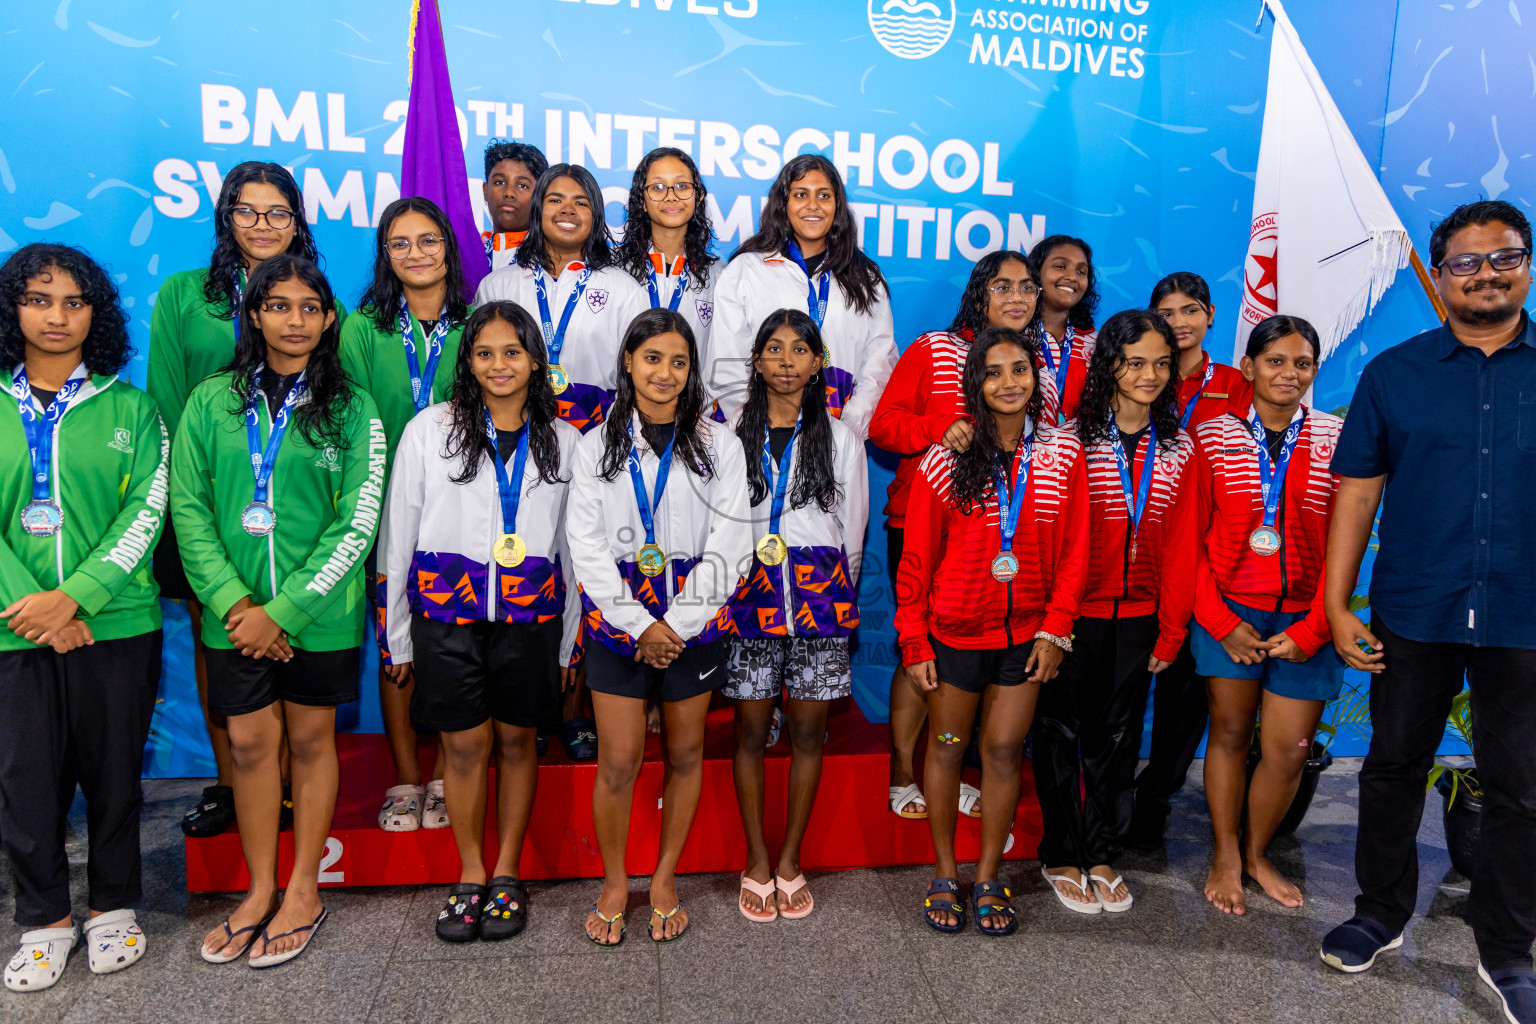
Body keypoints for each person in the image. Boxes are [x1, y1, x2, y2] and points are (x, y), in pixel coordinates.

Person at [1319, 200, 1536, 1020]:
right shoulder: (1396, 374)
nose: (1486, 274)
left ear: (1526, 263)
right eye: (1466, 263)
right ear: (1440, 276)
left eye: (1503, 257)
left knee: (1522, 788)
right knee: (1393, 767)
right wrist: (1338, 602)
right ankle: (1378, 913)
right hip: (1418, 604)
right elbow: (1359, 492)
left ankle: (1509, 947)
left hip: (1526, 613)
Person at [180, 256, 384, 969]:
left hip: (318, 615)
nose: (294, 321)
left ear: (329, 319)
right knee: (248, 749)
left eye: (308, 308)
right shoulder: (210, 402)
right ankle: (260, 888)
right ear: (255, 313)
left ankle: (304, 889)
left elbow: (358, 521)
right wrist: (238, 604)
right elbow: (189, 509)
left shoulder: (353, 407)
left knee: (309, 745)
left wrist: (287, 609)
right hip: (232, 615)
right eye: (278, 306)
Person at [379, 301, 581, 942]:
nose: (499, 365)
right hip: (447, 614)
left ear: (534, 361)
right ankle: (468, 874)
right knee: (463, 748)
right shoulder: (429, 430)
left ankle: (506, 872)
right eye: (485, 352)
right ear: (467, 361)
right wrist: (397, 629)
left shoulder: (565, 439)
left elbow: (574, 549)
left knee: (520, 743)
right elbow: (399, 533)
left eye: (513, 352)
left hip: (531, 617)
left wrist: (570, 637)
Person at [149, 161, 334, 839]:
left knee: (289, 628)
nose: (262, 225)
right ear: (226, 217)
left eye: (277, 212)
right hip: (205, 498)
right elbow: (167, 400)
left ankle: (285, 783)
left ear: (296, 221)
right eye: (247, 211)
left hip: (293, 502)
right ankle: (233, 780)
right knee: (217, 632)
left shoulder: (308, 291)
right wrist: (184, 497)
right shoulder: (184, 295)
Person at [0, 245, 167, 992]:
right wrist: (35, 608)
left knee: (115, 774)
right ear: (15, 310)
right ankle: (43, 921)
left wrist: (80, 596)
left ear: (96, 314)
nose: (57, 316)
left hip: (115, 622)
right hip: (13, 626)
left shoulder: (130, 408)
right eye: (39, 299)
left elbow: (147, 511)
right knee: (23, 778)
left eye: (74, 301)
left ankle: (112, 906)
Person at [566, 308, 751, 946]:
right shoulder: (595, 444)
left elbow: (733, 543)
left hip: (692, 615)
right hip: (619, 616)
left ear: (692, 369)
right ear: (627, 362)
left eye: (678, 361)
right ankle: (616, 881)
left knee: (685, 751)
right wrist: (638, 625)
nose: (665, 373)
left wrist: (673, 624)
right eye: (652, 359)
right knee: (618, 760)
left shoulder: (720, 444)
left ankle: (666, 876)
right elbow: (584, 546)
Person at [897, 327, 1088, 936]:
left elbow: (1076, 554)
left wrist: (1056, 630)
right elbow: (916, 560)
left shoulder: (1063, 453)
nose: (1009, 383)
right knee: (949, 750)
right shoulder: (945, 459)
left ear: (1037, 378)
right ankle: (945, 872)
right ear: (974, 383)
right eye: (994, 372)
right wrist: (914, 640)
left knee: (1004, 752)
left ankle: (988, 875)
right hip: (954, 635)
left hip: (1026, 636)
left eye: (1020, 370)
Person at [1033, 309, 1200, 915]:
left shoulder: (1181, 448)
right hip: (1073, 617)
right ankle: (1060, 851)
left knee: (1119, 736)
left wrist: (1172, 627)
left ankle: (1101, 850)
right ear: (1109, 366)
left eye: (1162, 363)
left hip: (1141, 616)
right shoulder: (1066, 442)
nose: (1150, 374)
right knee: (1058, 733)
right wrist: (1055, 620)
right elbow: (1051, 541)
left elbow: (1183, 546)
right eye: (1135, 363)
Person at [869, 250, 1039, 821]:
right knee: (924, 650)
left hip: (1006, 547)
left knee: (987, 662)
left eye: (1027, 287)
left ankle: (957, 769)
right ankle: (899, 772)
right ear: (979, 293)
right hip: (926, 528)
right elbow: (883, 425)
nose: (1017, 297)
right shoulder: (934, 350)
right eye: (1003, 285)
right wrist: (936, 428)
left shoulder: (1031, 361)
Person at [1189, 313, 1344, 917]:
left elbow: (1346, 544)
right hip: (1230, 615)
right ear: (1249, 368)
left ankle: (1257, 853)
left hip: (1307, 617)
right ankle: (1225, 853)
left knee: (1287, 749)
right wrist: (1220, 622)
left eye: (1302, 363)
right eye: (1275, 361)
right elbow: (1190, 542)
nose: (1289, 373)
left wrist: (1314, 628)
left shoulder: (1336, 439)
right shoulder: (1212, 437)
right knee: (1228, 734)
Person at [725, 309, 865, 922]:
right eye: (774, 350)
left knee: (808, 732)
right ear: (756, 362)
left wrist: (839, 601)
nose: (786, 360)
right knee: (751, 733)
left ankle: (789, 857)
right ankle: (756, 857)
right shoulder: (728, 434)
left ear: (818, 362)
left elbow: (852, 528)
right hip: (748, 601)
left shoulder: (841, 438)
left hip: (819, 605)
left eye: (799, 350)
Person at [341, 196, 471, 834]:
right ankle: (405, 778)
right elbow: (350, 419)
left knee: (450, 641)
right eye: (400, 243)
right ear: (385, 255)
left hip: (461, 508)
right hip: (382, 504)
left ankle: (446, 771)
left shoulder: (477, 324)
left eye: (427, 240)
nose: (416, 253)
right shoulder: (363, 328)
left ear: (448, 246)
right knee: (395, 638)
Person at [1130, 271, 1253, 848]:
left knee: (1182, 698)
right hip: (1136, 550)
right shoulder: (1137, 374)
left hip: (1203, 561)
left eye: (1190, 310)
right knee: (1125, 690)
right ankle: (1107, 798)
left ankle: (1156, 799)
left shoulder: (1235, 383)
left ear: (1210, 318)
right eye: (1168, 310)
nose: (1179, 322)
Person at [708, 154, 897, 439]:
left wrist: (848, 429)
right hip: (759, 438)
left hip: (839, 437)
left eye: (824, 195)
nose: (813, 206)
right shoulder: (745, 271)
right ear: (783, 204)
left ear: (838, 206)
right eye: (800, 194)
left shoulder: (865, 279)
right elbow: (726, 363)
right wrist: (759, 428)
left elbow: (879, 362)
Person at [616, 147, 718, 355]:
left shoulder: (720, 276)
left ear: (698, 198)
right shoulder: (614, 269)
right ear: (642, 201)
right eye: (658, 187)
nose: (671, 196)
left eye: (682, 186)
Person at [1025, 234, 1099, 425]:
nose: (1072, 277)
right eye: (1060, 266)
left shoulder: (1096, 343)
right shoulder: (1012, 334)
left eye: (1081, 272)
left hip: (1076, 450)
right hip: (1019, 449)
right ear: (1035, 272)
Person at [480, 140, 548, 271]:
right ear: (485, 191)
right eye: (499, 182)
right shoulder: (469, 252)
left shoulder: (551, 258)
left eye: (522, 185)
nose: (509, 193)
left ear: (540, 196)